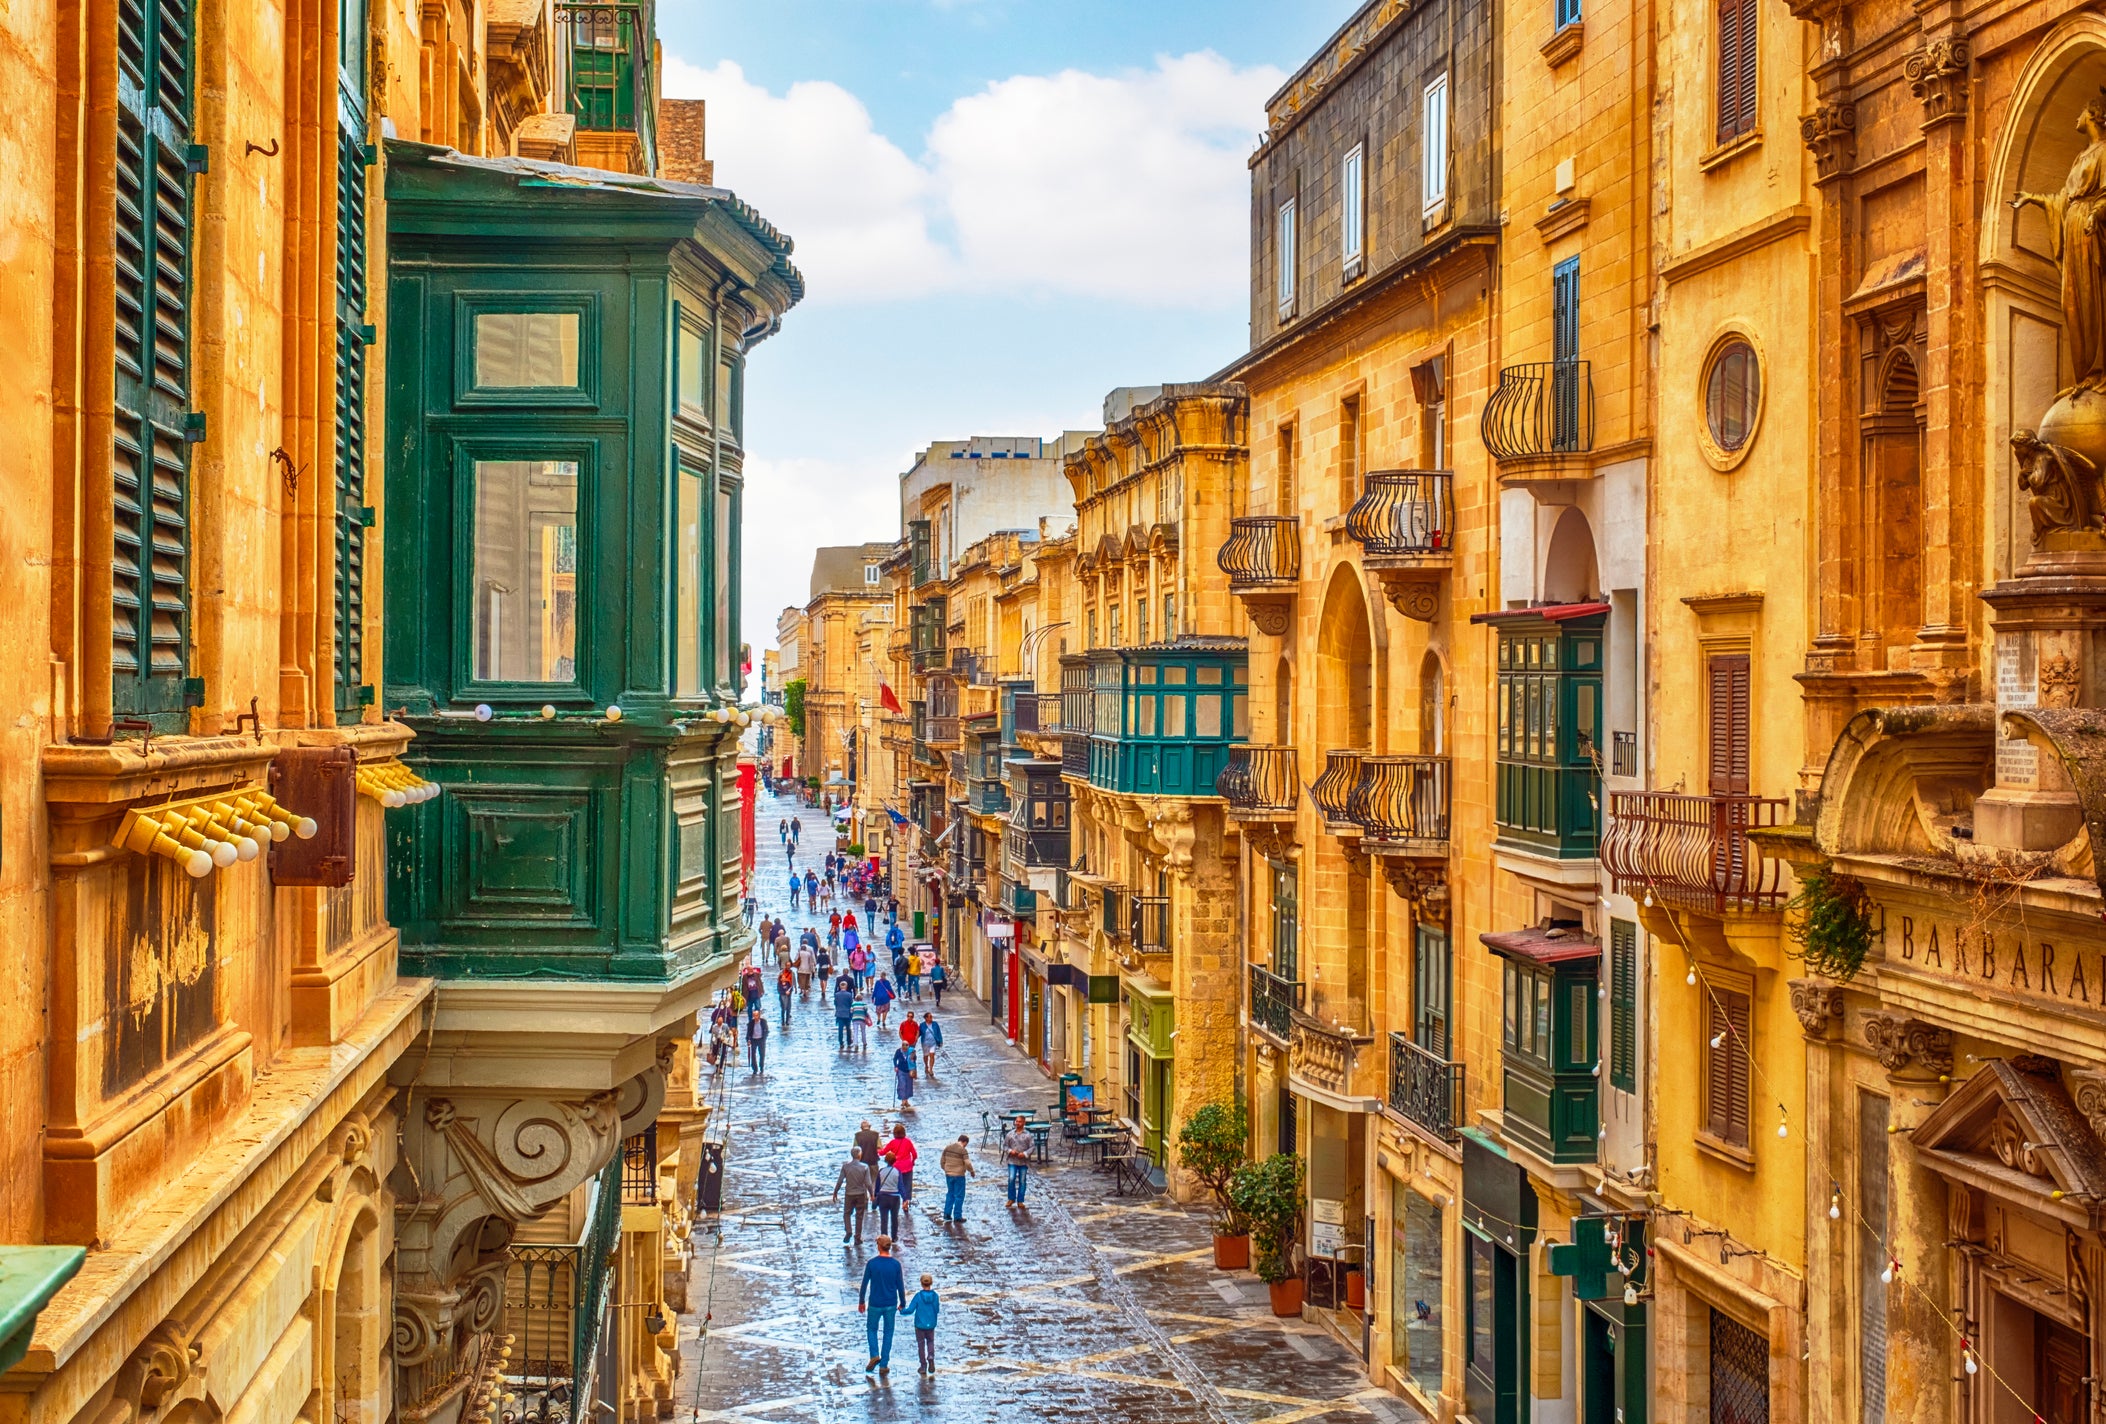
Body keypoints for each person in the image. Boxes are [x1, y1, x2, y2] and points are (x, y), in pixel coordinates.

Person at [857, 1235, 905, 1375]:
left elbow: (864, 1284)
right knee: (888, 1332)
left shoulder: (872, 1264)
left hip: (875, 1303)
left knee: (871, 1329)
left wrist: (861, 1301)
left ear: (879, 1246)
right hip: (890, 1303)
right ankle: (884, 1364)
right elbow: (900, 1286)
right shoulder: (896, 1265)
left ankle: (874, 1355)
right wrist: (902, 1302)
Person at [833, 1146, 872, 1244]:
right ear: (859, 1155)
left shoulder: (846, 1166)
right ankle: (857, 1237)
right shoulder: (865, 1167)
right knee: (859, 1215)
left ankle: (849, 1230)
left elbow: (840, 1180)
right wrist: (872, 1194)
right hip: (861, 1193)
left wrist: (835, 1192)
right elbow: (868, 1183)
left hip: (849, 1193)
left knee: (847, 1213)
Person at [908, 1274, 941, 1375]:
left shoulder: (918, 1296)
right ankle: (931, 1356)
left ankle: (923, 1365)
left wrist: (901, 1310)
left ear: (921, 1284)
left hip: (919, 1325)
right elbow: (937, 1310)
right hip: (931, 1324)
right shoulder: (935, 1296)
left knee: (921, 1344)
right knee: (930, 1341)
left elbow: (910, 1310)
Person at [938, 1133, 974, 1221]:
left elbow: (942, 1161)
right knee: (959, 1195)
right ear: (965, 1142)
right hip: (959, 1175)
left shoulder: (948, 1147)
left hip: (949, 1175)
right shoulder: (963, 1150)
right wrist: (971, 1171)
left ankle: (947, 1214)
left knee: (950, 1193)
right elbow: (968, 1163)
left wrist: (946, 1169)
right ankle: (957, 1216)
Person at [881, 1124, 917, 1203]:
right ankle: (906, 1201)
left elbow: (882, 1153)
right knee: (907, 1185)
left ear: (894, 1133)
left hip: (896, 1167)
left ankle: (896, 1200)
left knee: (896, 1185)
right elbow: (914, 1154)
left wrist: (877, 1149)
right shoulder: (908, 1141)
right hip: (908, 1166)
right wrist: (913, 1162)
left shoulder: (892, 1142)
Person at [1003, 1115, 1033, 1206]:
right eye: (1016, 1121)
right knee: (1011, 1178)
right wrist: (1010, 1151)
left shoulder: (1028, 1135)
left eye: (1020, 1121)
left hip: (1023, 1162)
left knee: (1022, 1180)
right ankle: (1011, 1198)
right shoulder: (1010, 1134)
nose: (1017, 1123)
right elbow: (1004, 1146)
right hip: (1012, 1160)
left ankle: (1020, 1200)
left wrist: (1024, 1154)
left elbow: (1032, 1147)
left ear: (1024, 1123)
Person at [873, 1157, 904, 1239]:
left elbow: (877, 1186)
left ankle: (884, 1237)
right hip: (895, 1198)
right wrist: (905, 1198)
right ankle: (894, 1237)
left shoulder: (881, 1171)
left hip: (883, 1197)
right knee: (894, 1219)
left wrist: (875, 1195)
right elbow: (900, 1186)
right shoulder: (897, 1172)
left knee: (884, 1219)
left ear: (886, 1160)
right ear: (894, 1161)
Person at [892, 1041, 916, 1113]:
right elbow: (895, 1059)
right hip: (901, 1070)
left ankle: (906, 1100)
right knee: (902, 1085)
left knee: (908, 1086)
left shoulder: (911, 1051)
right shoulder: (898, 1051)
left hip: (909, 1071)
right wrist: (896, 1066)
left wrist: (912, 1057)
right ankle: (903, 1100)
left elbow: (914, 1060)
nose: (905, 1049)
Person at [833, 976, 855, 1052]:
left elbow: (835, 1003)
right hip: (847, 1013)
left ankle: (841, 1042)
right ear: (846, 987)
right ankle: (849, 1042)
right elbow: (851, 1004)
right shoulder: (849, 994)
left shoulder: (837, 995)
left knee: (840, 1029)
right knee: (848, 1028)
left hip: (839, 1013)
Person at [746, 1007, 769, 1075]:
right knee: (753, 1054)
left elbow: (766, 1031)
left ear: (759, 1016)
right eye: (754, 1015)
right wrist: (748, 1040)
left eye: (756, 1015)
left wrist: (764, 1038)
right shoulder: (751, 1023)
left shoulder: (763, 1022)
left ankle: (761, 1067)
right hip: (754, 1040)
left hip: (761, 1040)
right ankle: (755, 1069)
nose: (755, 1017)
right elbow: (748, 1033)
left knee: (762, 1054)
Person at [919, 1012, 942, 1078]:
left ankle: (931, 1069)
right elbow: (919, 1033)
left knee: (932, 1055)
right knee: (926, 1056)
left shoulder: (935, 1024)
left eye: (931, 1017)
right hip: (925, 1043)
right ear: (926, 1018)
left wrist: (940, 1040)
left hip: (933, 1043)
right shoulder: (922, 1025)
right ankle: (926, 1065)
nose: (931, 1018)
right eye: (930, 1017)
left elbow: (938, 1032)